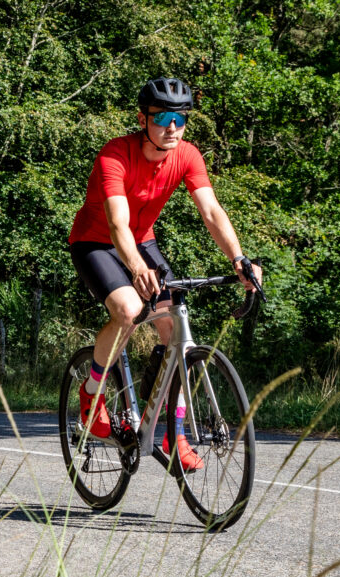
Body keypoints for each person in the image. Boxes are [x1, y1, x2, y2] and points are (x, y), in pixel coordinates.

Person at [66, 77, 261, 470]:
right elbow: (118, 225)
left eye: (181, 118)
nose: (172, 127)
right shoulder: (114, 155)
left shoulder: (187, 155)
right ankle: (92, 393)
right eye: (162, 118)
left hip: (142, 241)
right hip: (95, 242)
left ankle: (175, 434)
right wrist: (137, 268)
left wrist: (239, 260)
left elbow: (211, 212)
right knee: (127, 309)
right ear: (143, 119)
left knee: (176, 329)